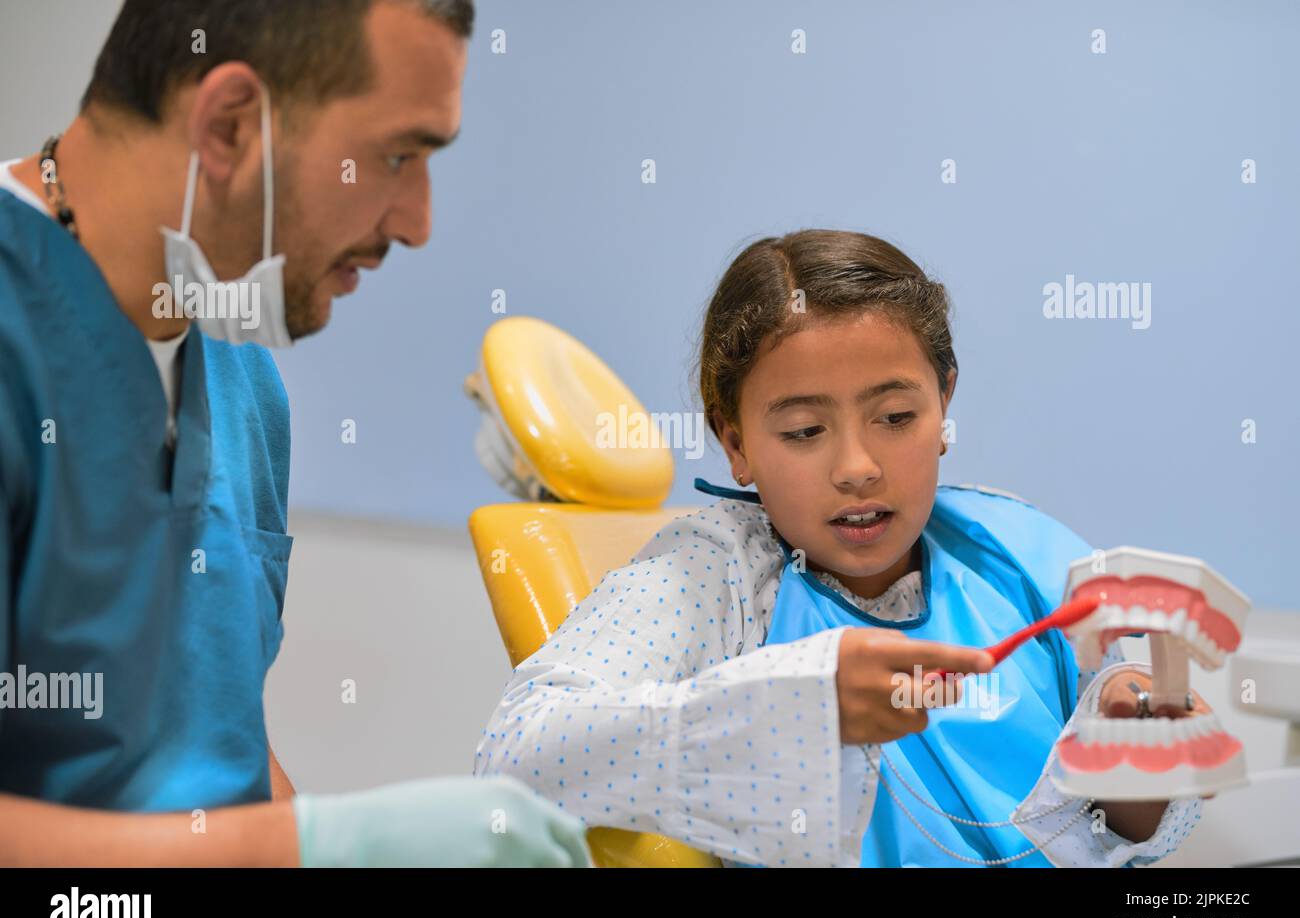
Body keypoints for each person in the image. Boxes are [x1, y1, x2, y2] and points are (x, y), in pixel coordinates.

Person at [0, 0, 588, 867]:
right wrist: (308, 847)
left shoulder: (243, 383)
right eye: (396, 155)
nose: (418, 223)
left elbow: (207, 752)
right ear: (231, 125)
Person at [474, 228, 1214, 867]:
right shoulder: (716, 571)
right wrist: (801, 706)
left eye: (895, 416)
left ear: (944, 400)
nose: (857, 466)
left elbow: (1113, 831)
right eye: (803, 432)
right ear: (735, 441)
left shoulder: (1019, 554)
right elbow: (517, 754)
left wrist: (1133, 763)